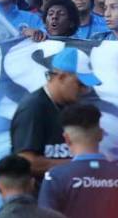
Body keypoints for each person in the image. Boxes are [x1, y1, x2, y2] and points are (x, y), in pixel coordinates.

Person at [11, 47, 101, 179]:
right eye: (80, 84)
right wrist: (81, 166)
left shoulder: (71, 105)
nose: (85, 90)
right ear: (62, 77)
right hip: (41, 196)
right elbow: (26, 162)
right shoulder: (33, 107)